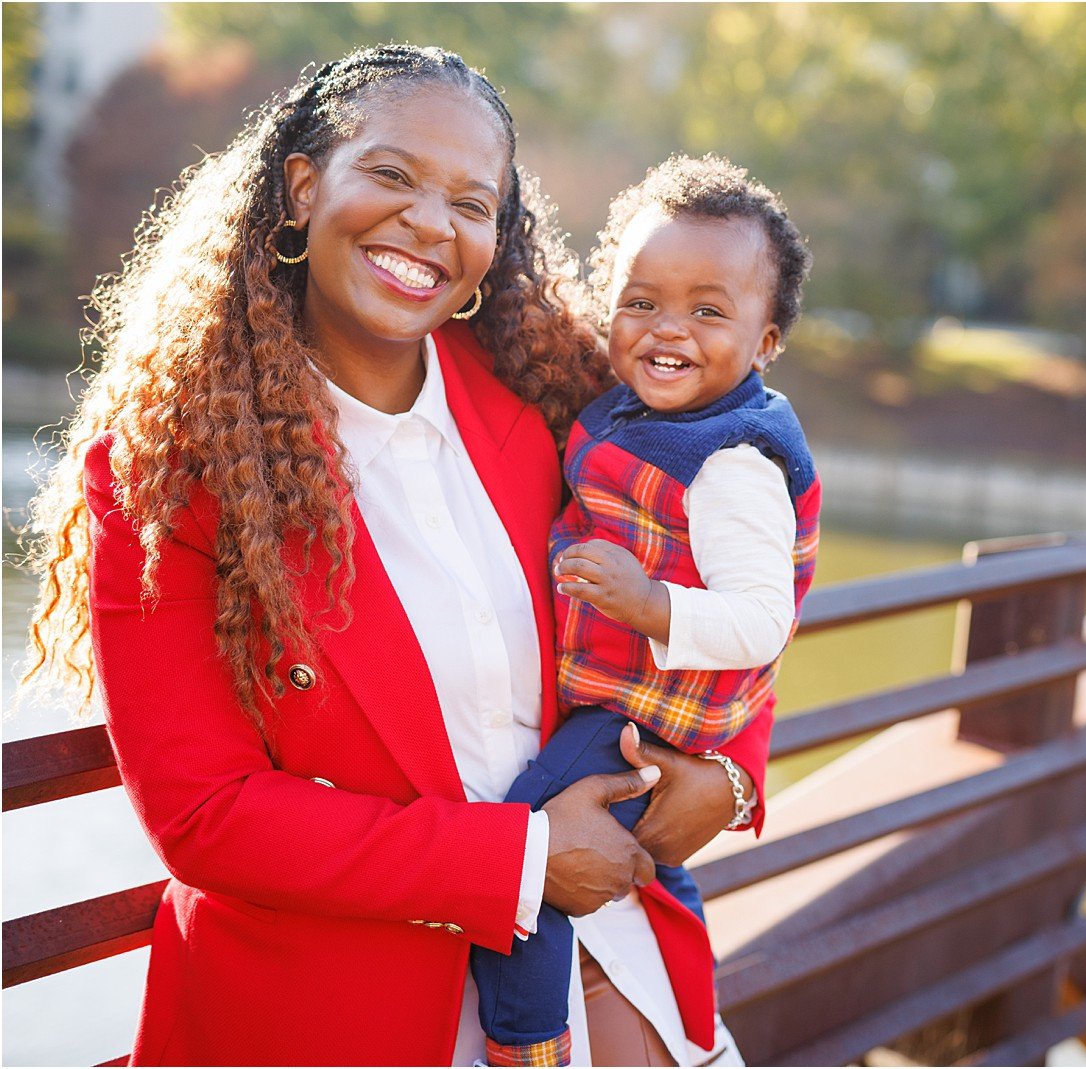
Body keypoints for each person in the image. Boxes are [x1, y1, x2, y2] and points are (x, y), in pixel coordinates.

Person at [22, 46, 771, 1066]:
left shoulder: (552, 404)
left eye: (472, 201)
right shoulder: (171, 471)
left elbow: (734, 578)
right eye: (391, 174)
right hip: (339, 1010)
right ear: (300, 186)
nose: (430, 221)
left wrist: (724, 771)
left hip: (611, 954)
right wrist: (523, 859)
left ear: (494, 239)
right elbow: (206, 814)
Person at [470, 155, 820, 1066]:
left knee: (525, 855)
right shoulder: (629, 411)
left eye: (710, 311)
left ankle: (528, 1040)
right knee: (640, 869)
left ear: (767, 340)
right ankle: (693, 1022)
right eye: (642, 302)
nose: (669, 330)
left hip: (633, 712)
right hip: (624, 704)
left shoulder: (736, 463)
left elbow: (762, 620)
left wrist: (649, 602)